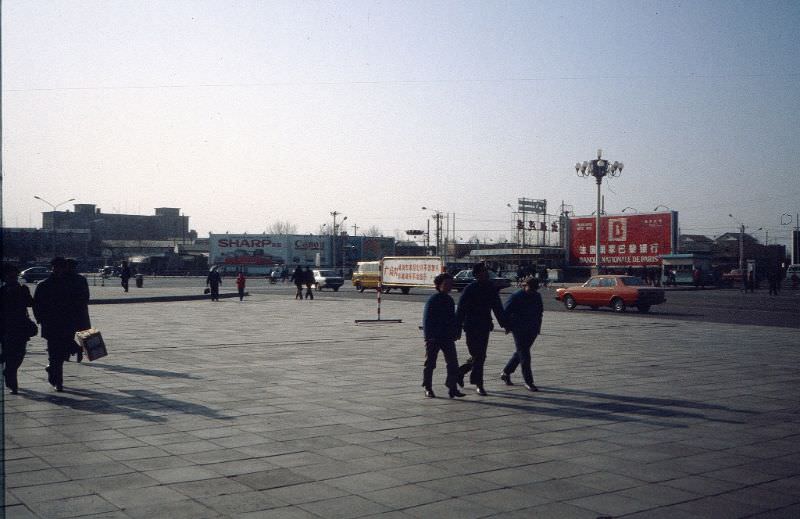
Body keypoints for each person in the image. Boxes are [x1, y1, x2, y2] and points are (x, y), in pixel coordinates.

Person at [456, 262, 506, 396]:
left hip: (484, 326)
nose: (486, 274)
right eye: (483, 271)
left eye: (486, 271)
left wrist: (505, 324)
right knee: (477, 355)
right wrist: (457, 329)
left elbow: (497, 308)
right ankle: (462, 373)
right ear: (477, 274)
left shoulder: (491, 288)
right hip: (471, 326)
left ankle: (478, 383)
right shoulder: (469, 289)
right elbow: (461, 310)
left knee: (480, 355)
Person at [32, 257, 82, 391]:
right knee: (55, 354)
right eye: (57, 267)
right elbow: (37, 305)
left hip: (66, 324)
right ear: (53, 268)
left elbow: (77, 304)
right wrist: (41, 320)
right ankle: (57, 381)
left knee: (60, 354)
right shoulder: (44, 285)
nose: (59, 270)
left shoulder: (69, 285)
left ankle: (52, 370)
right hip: (52, 325)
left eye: (61, 267)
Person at [422, 273, 465, 399]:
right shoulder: (433, 300)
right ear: (438, 285)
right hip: (434, 337)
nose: (449, 287)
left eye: (450, 284)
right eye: (446, 284)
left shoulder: (449, 300)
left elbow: (453, 319)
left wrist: (456, 331)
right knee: (430, 363)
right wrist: (429, 336)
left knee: (453, 363)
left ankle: (452, 387)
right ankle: (427, 387)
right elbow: (427, 320)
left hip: (447, 337)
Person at [499, 277, 543, 392]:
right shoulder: (516, 296)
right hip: (519, 329)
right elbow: (505, 312)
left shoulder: (536, 296)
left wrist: (538, 327)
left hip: (532, 329)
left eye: (534, 289)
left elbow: (539, 312)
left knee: (520, 353)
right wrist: (507, 326)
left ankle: (506, 372)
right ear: (524, 286)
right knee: (525, 355)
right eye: (530, 288)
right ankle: (529, 382)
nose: (532, 291)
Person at [1, 263, 37, 394]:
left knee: (20, 354)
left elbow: (30, 303)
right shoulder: (2, 291)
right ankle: (12, 382)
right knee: (11, 354)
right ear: (5, 278)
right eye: (10, 276)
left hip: (21, 326)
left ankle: (9, 372)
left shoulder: (23, 289)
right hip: (6, 328)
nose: (13, 278)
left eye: (14, 276)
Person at [66, 259, 90, 362]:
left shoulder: (64, 279)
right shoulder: (81, 279)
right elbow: (86, 296)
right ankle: (78, 350)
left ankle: (73, 350)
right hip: (80, 310)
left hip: (68, 310)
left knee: (66, 334)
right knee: (82, 333)